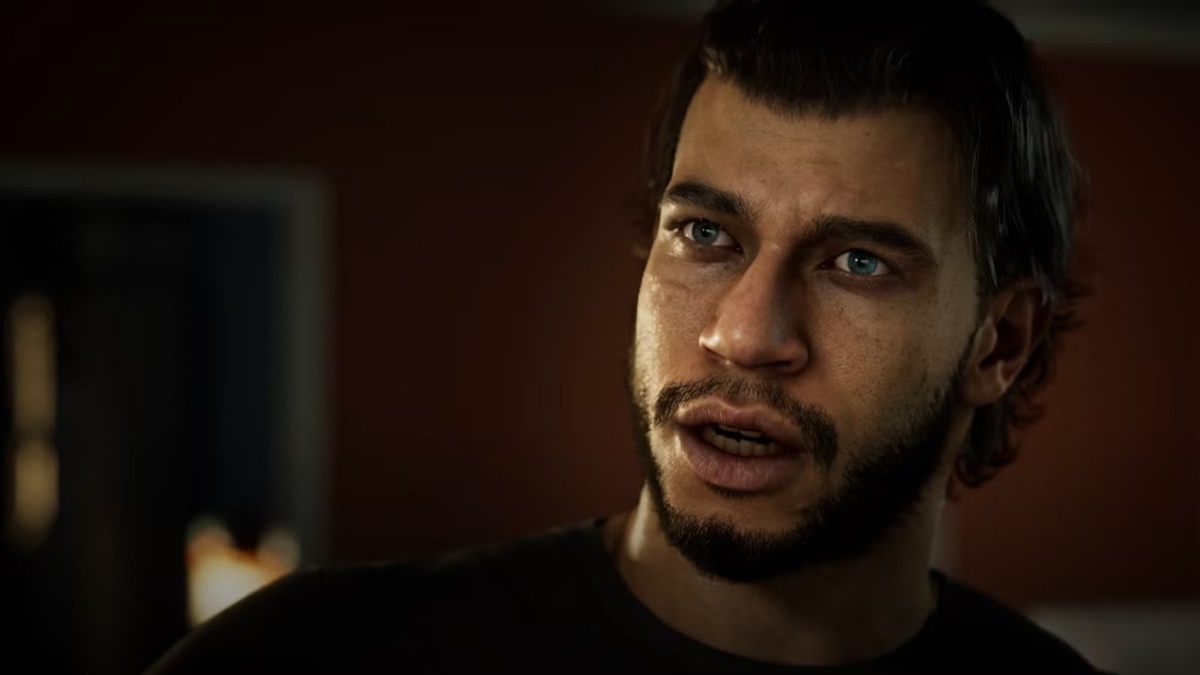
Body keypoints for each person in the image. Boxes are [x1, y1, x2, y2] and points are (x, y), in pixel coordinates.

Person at [149, 1, 1103, 672]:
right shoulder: (302, 653)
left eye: (857, 262)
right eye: (707, 235)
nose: (743, 335)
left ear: (999, 344)